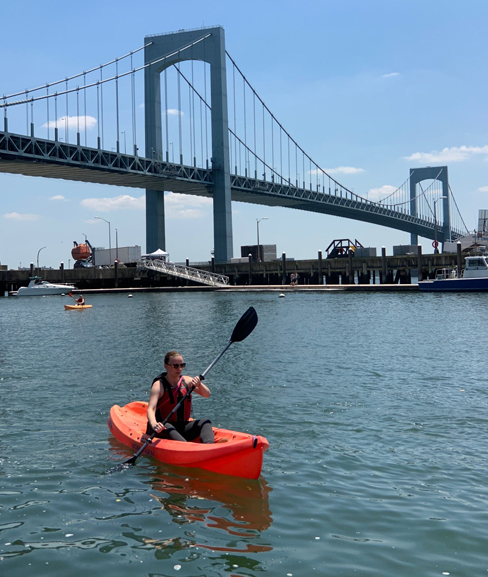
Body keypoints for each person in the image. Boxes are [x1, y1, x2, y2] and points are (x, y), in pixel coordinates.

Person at [146, 350, 214, 443]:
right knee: (167, 426)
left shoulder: (187, 381)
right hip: (163, 427)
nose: (179, 369)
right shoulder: (159, 385)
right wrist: (154, 424)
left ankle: (209, 446)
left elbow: (207, 394)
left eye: (182, 365)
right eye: (175, 366)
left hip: (182, 426)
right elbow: (151, 409)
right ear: (166, 366)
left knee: (205, 422)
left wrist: (199, 385)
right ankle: (186, 447)